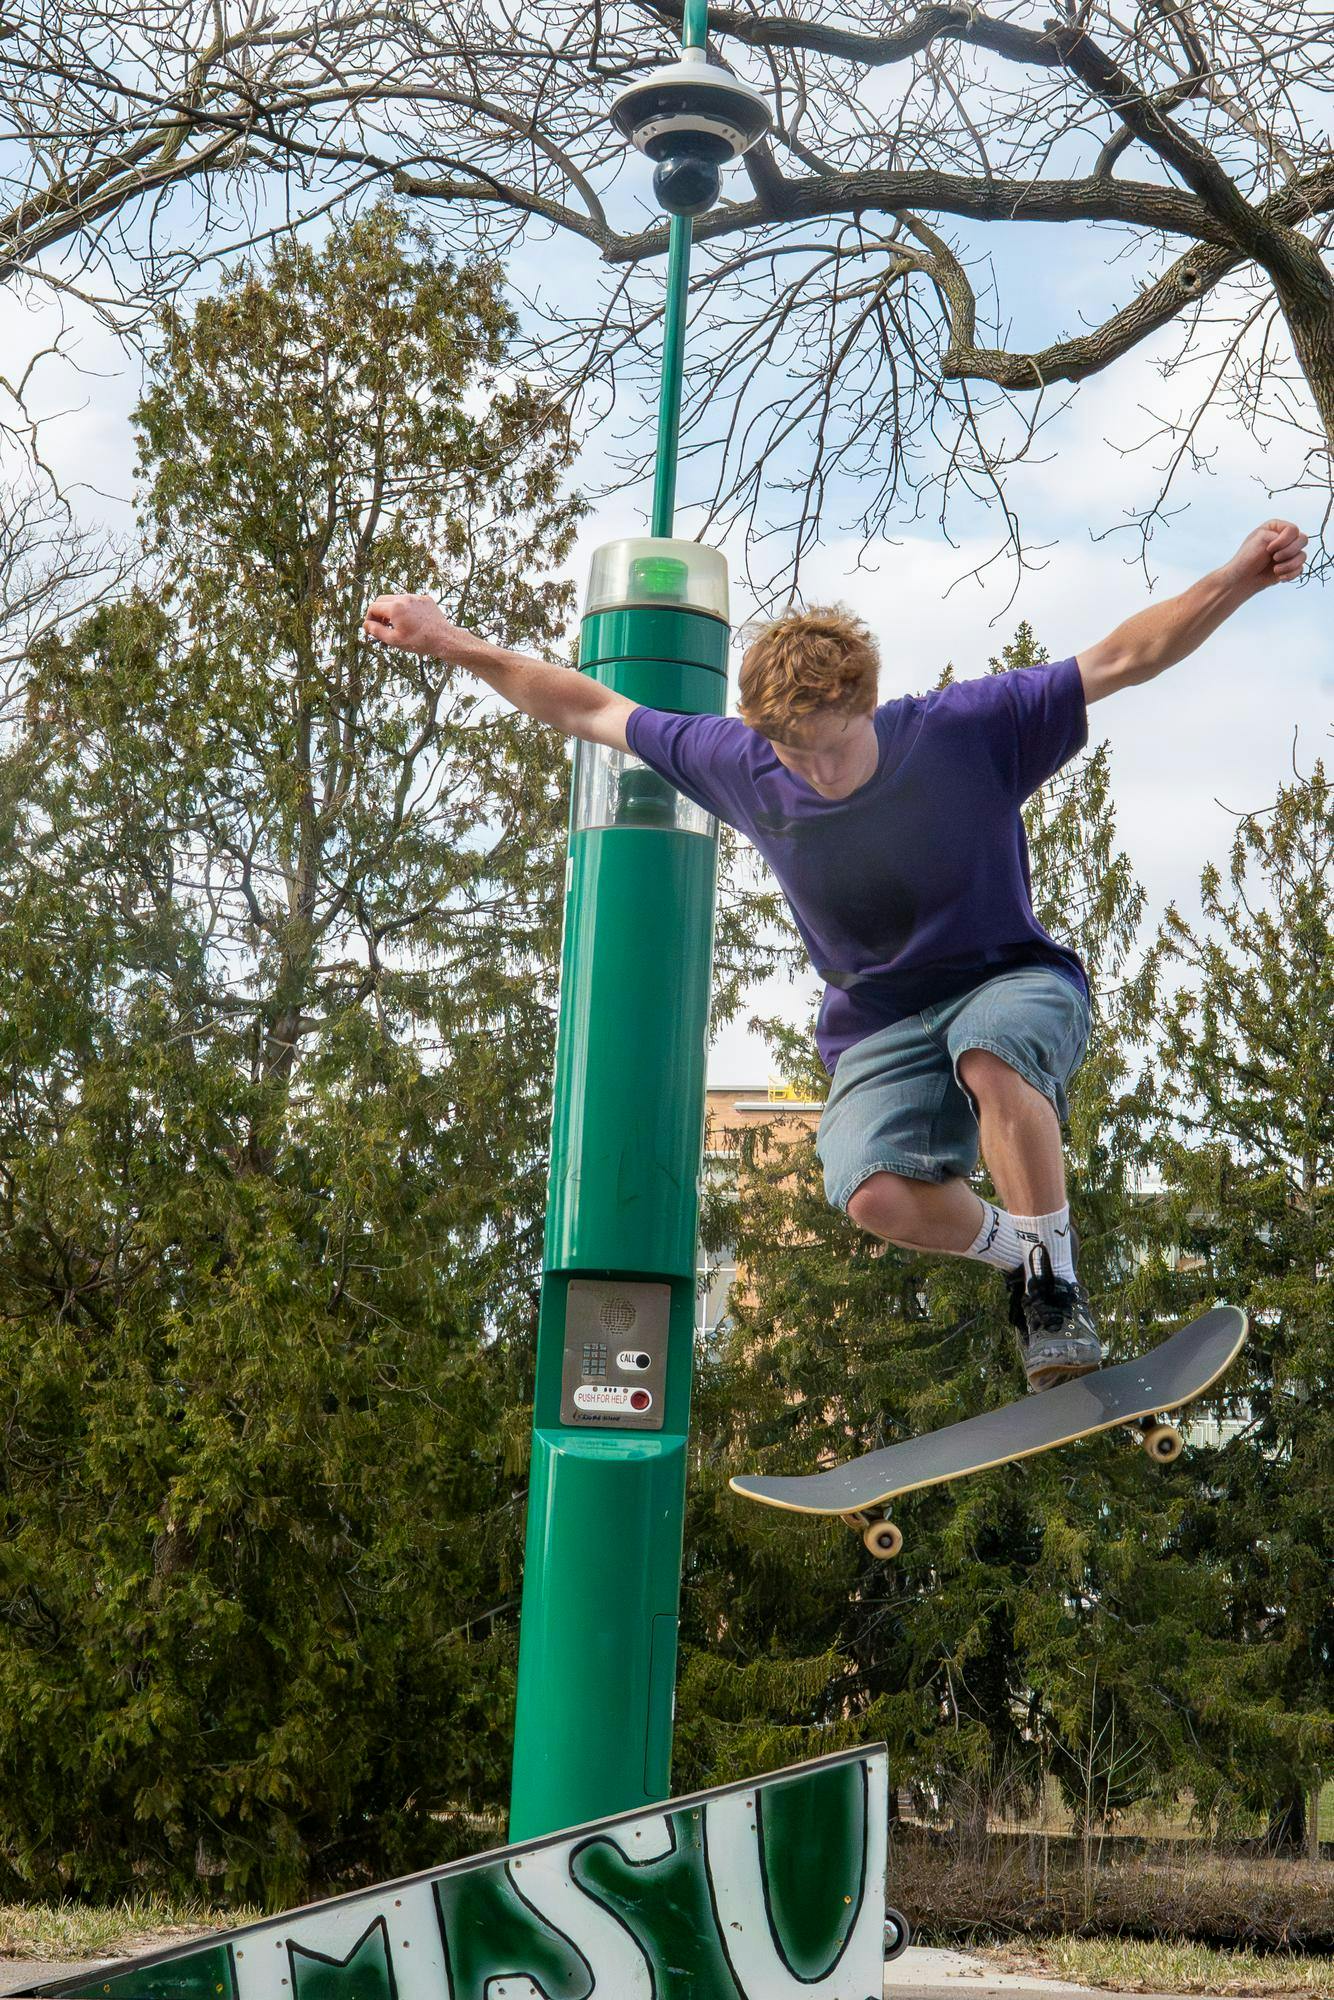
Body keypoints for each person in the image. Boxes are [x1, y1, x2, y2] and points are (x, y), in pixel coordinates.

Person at [364, 519, 1308, 1390]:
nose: (815, 771)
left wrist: (1236, 578)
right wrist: (452, 641)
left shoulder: (963, 728)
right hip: (881, 1024)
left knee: (989, 1049)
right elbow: (588, 708)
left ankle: (1054, 1288)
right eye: (792, 753)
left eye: (831, 746)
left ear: (869, 704)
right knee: (874, 1197)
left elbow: (1124, 656)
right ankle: (1021, 1250)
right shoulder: (741, 762)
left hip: (1012, 981)